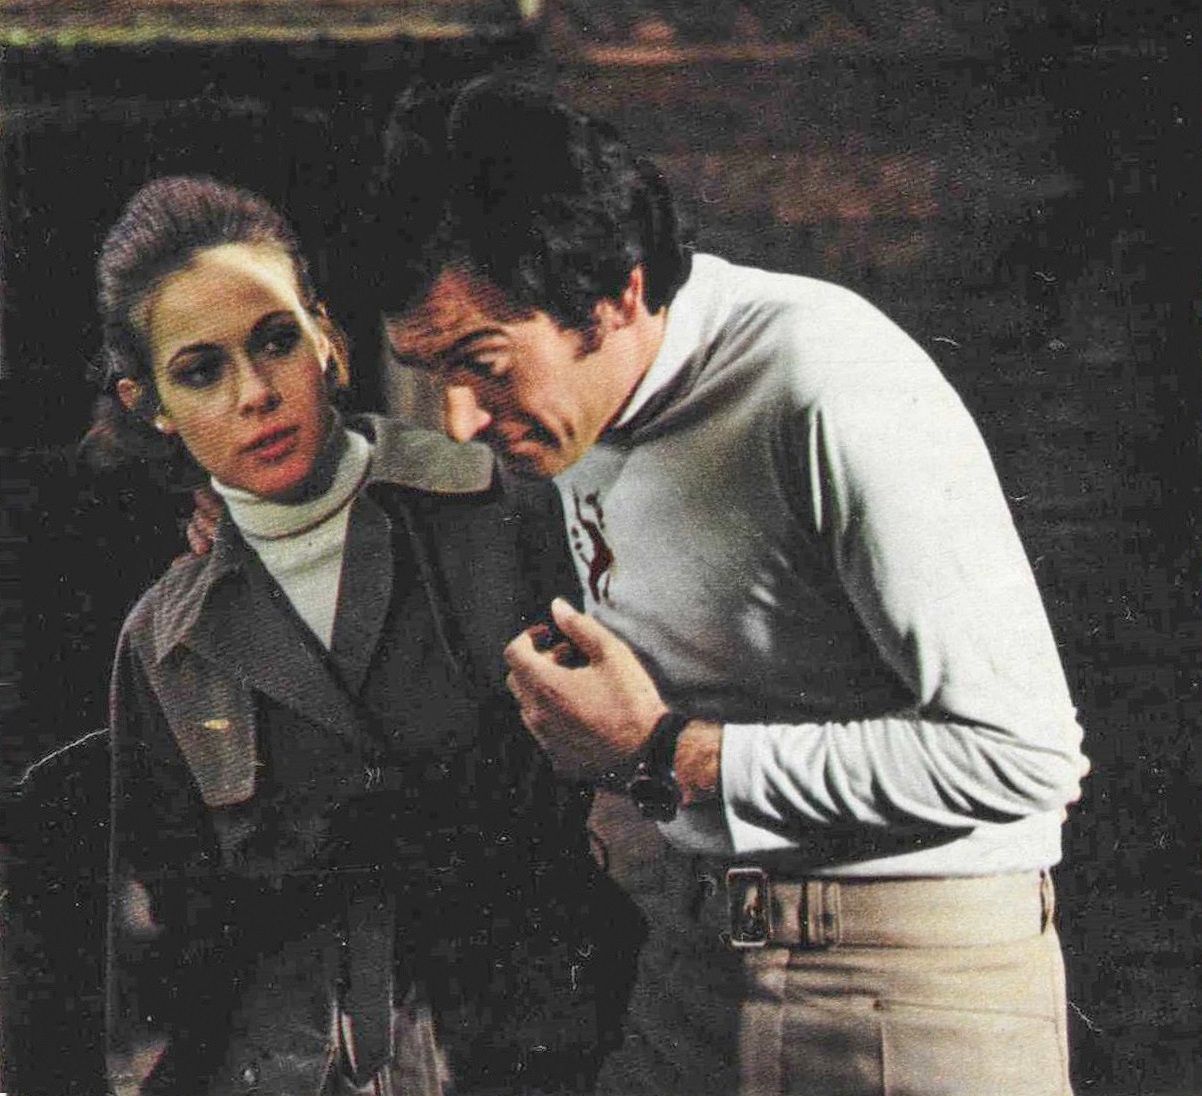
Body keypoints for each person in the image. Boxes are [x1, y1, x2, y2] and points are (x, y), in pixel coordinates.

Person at [377, 77, 1090, 1096]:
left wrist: (667, 752)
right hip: (693, 968)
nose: (459, 419)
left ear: (617, 295)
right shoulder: (572, 405)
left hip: (908, 988)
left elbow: (1022, 757)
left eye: (481, 363)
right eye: (428, 372)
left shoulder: (825, 384)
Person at [5, 174, 639, 1096]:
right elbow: (160, 961)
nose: (256, 394)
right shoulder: (164, 645)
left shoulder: (504, 515)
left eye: (276, 341)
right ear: (150, 404)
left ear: (327, 340)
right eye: (201, 371)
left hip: (528, 1061)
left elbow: (630, 814)